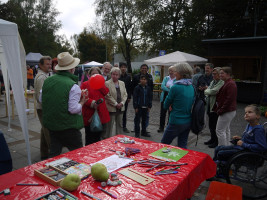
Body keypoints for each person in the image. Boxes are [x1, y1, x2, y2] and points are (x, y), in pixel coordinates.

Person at [41, 52, 88, 157]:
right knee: (78, 154)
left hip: (52, 126)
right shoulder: (73, 85)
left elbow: (41, 99)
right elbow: (73, 109)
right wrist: (82, 102)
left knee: (54, 154)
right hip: (69, 127)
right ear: (72, 69)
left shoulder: (48, 81)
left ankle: (50, 172)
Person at [161, 63, 194, 149]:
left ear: (181, 73)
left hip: (176, 121)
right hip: (187, 121)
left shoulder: (175, 87)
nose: (174, 73)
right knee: (182, 145)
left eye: (176, 72)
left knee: (163, 144)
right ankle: (183, 162)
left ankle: (162, 161)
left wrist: (171, 104)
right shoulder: (191, 86)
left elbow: (165, 104)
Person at [80, 67, 110, 145]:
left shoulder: (102, 84)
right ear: (89, 75)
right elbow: (82, 96)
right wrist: (92, 103)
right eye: (93, 74)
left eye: (97, 74)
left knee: (98, 137)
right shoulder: (85, 84)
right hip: (89, 114)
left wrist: (100, 84)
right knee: (89, 137)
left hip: (100, 114)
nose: (95, 76)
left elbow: (106, 92)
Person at [213, 67, 237, 146]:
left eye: (222, 73)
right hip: (229, 110)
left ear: (228, 74)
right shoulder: (227, 82)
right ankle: (227, 147)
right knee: (226, 129)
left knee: (219, 131)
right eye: (220, 73)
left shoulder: (230, 84)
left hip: (227, 111)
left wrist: (221, 110)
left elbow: (229, 99)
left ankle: (222, 149)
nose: (220, 75)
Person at [34, 56, 52, 160]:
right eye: (47, 64)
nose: (49, 66)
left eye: (50, 64)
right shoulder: (41, 77)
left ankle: (44, 153)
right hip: (43, 108)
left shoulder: (44, 75)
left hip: (43, 107)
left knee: (44, 130)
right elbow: (41, 96)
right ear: (40, 65)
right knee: (47, 131)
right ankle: (52, 152)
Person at [204, 67, 224, 148]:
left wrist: (207, 91)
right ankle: (212, 139)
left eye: (215, 74)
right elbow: (208, 91)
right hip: (209, 105)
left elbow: (214, 91)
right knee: (211, 124)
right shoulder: (213, 82)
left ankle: (216, 141)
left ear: (219, 74)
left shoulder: (221, 82)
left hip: (215, 106)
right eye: (213, 73)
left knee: (215, 125)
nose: (213, 75)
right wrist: (208, 91)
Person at [105, 67, 127, 138]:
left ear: (119, 75)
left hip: (121, 108)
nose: (115, 76)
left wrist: (122, 103)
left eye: (116, 74)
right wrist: (115, 104)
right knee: (109, 127)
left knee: (120, 125)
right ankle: (107, 140)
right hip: (111, 108)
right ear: (111, 74)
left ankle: (119, 139)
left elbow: (125, 94)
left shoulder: (122, 83)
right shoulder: (107, 83)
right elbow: (107, 95)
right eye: (113, 74)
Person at [132, 64, 153, 131]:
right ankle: (136, 129)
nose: (144, 69)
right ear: (140, 69)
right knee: (137, 117)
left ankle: (144, 129)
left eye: (145, 68)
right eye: (143, 68)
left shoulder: (149, 76)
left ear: (147, 69)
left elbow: (151, 88)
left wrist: (150, 103)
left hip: (146, 100)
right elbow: (133, 87)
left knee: (146, 116)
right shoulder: (136, 76)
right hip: (139, 100)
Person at [157, 66, 176, 133]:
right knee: (162, 113)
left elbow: (174, 88)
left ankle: (169, 128)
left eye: (172, 71)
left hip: (172, 98)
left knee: (170, 113)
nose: (170, 72)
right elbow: (162, 86)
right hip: (164, 97)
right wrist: (170, 88)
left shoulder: (176, 79)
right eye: (169, 71)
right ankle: (161, 127)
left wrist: (168, 87)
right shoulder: (166, 78)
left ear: (175, 72)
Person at [119, 62, 132, 133]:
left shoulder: (128, 77)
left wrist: (129, 97)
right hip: (118, 97)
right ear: (120, 68)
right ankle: (118, 126)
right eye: (122, 67)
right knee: (118, 112)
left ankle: (124, 126)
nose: (123, 68)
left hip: (125, 97)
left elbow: (129, 87)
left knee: (124, 112)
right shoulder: (118, 76)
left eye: (124, 67)